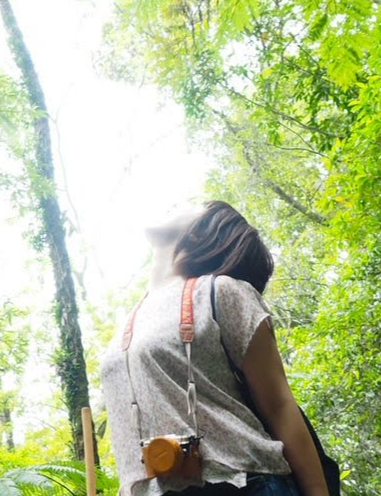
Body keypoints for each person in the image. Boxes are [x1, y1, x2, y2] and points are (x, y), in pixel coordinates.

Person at [99, 201, 330, 496]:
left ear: (201, 232)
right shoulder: (128, 321)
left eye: (193, 205)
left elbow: (279, 405)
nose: (176, 205)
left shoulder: (222, 291)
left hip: (241, 483)